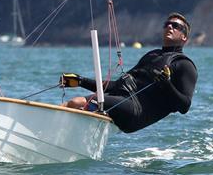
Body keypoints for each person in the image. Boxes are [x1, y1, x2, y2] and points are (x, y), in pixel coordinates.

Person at [60, 13, 197, 133]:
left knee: (76, 102)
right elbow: (116, 86)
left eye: (175, 26)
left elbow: (185, 106)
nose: (169, 27)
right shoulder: (152, 55)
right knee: (73, 106)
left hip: (138, 110)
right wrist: (80, 81)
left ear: (184, 37)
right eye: (167, 24)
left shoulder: (184, 64)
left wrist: (166, 84)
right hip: (122, 99)